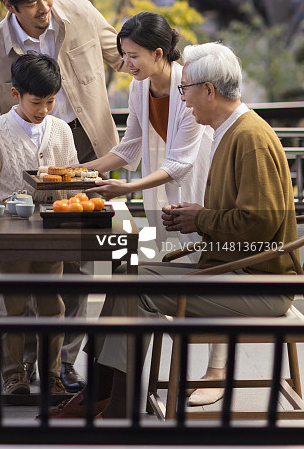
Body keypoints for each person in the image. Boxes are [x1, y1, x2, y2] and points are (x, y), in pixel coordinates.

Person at [51, 41, 298, 419]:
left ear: (209, 91)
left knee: (136, 286)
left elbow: (260, 224)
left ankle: (117, 404)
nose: (184, 100)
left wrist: (200, 219)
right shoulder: (231, 131)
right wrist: (197, 217)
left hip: (261, 284)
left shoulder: (249, 139)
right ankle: (103, 394)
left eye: (188, 91)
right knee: (126, 271)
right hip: (234, 267)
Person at [0, 0, 126, 391]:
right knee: (21, 278)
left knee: (75, 266)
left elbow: (127, 59)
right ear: (9, 6)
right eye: (34, 3)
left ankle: (61, 364)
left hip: (85, 146)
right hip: (23, 158)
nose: (45, 9)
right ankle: (19, 369)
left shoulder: (80, 13)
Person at [0, 52, 78, 396]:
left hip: (52, 233)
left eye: (50, 101)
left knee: (52, 305)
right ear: (15, 94)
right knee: (11, 304)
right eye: (36, 102)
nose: (44, 109)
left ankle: (51, 374)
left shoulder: (60, 130)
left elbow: (73, 178)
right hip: (8, 236)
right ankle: (13, 375)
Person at [85, 10, 213, 252]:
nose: (126, 63)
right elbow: (130, 146)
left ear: (157, 54)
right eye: (123, 54)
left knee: (202, 252)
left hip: (209, 178)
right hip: (180, 173)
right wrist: (78, 170)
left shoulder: (190, 87)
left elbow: (180, 163)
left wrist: (127, 188)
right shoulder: (139, 86)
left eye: (133, 55)